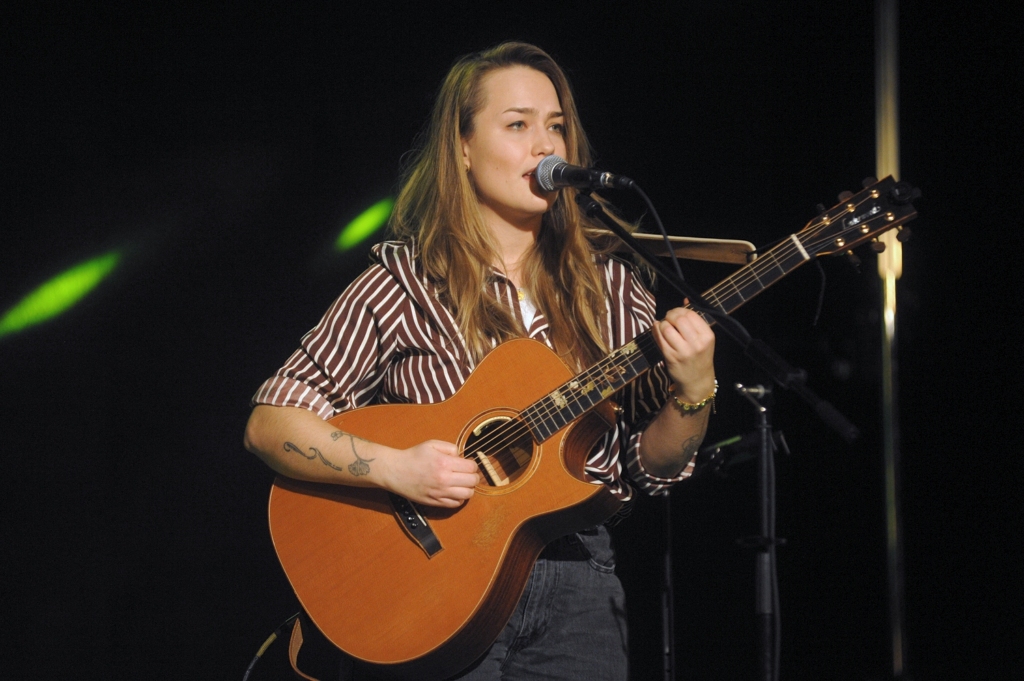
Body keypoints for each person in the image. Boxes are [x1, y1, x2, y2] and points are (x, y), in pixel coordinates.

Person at [244, 41, 716, 680]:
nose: (545, 146)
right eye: (517, 125)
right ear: (462, 149)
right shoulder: (404, 283)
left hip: (582, 587)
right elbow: (272, 423)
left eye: (556, 127)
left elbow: (649, 468)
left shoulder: (613, 284)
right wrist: (397, 468)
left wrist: (694, 393)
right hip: (437, 588)